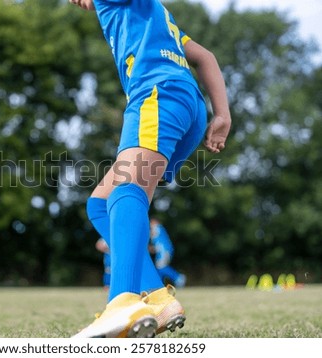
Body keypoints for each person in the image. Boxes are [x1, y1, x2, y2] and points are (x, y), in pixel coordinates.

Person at [70, 0, 231, 338]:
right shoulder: (161, 18)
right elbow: (206, 57)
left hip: (157, 93)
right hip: (189, 104)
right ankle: (158, 298)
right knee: (100, 204)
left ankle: (123, 300)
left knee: (128, 190)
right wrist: (222, 114)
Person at [149, 218, 186, 288]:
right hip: (162, 251)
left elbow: (153, 234)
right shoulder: (159, 231)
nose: (150, 224)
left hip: (164, 251)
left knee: (161, 267)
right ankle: (159, 285)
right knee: (159, 268)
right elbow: (158, 245)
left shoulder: (157, 227)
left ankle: (178, 277)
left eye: (151, 222)